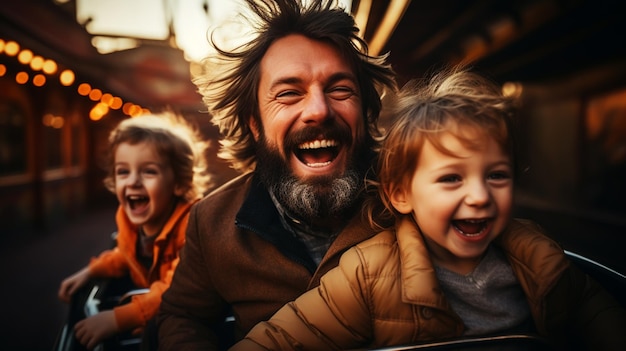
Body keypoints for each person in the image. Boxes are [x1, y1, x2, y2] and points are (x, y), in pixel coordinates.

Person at [229, 67, 626, 351]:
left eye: (496, 176)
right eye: (452, 178)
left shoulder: (541, 259)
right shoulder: (370, 274)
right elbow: (283, 338)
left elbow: (600, 320)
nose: (479, 196)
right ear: (401, 194)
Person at [155, 0, 397, 349]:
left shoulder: (416, 197)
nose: (318, 110)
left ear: (366, 112)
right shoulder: (211, 222)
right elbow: (182, 315)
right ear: (255, 124)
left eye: (340, 89)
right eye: (288, 93)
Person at [58, 112, 211, 350]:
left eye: (148, 171)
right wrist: (90, 270)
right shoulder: (131, 225)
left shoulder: (192, 227)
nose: (133, 181)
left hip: (194, 319)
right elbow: (126, 255)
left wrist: (118, 319)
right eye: (123, 172)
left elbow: (176, 291)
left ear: (180, 183)